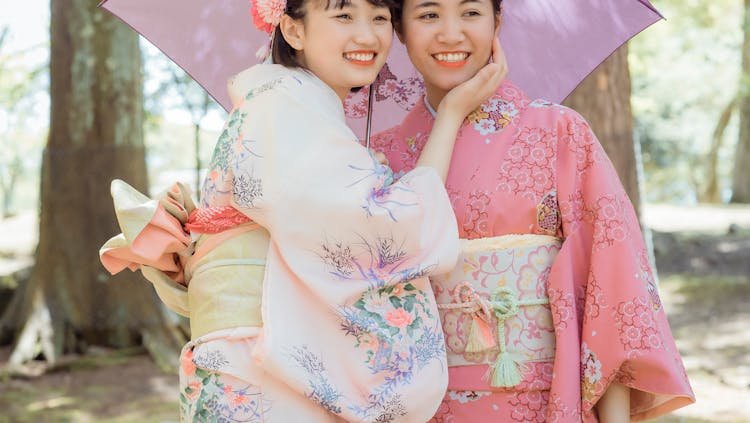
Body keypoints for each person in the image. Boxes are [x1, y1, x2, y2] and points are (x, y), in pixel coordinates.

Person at [100, 0, 506, 420]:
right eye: (344, 16)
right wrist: (452, 113)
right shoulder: (285, 107)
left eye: (380, 18)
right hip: (257, 359)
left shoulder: (293, 107)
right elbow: (387, 232)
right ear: (293, 31)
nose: (367, 36)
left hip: (254, 353)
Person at [368, 0, 696, 420]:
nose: (451, 34)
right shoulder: (379, 157)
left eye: (470, 12)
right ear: (400, 29)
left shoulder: (558, 132)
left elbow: (612, 287)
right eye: (428, 14)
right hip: (419, 402)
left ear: (497, 21)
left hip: (540, 398)